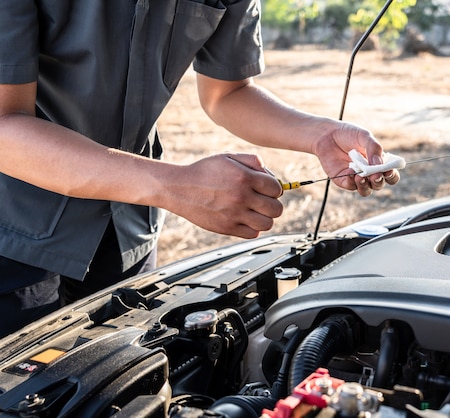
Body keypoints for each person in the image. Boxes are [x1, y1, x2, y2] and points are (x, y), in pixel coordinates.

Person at [0, 1, 400, 338]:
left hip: (125, 229)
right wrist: (174, 185)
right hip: (14, 228)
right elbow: (5, 123)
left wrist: (320, 134)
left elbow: (227, 92)